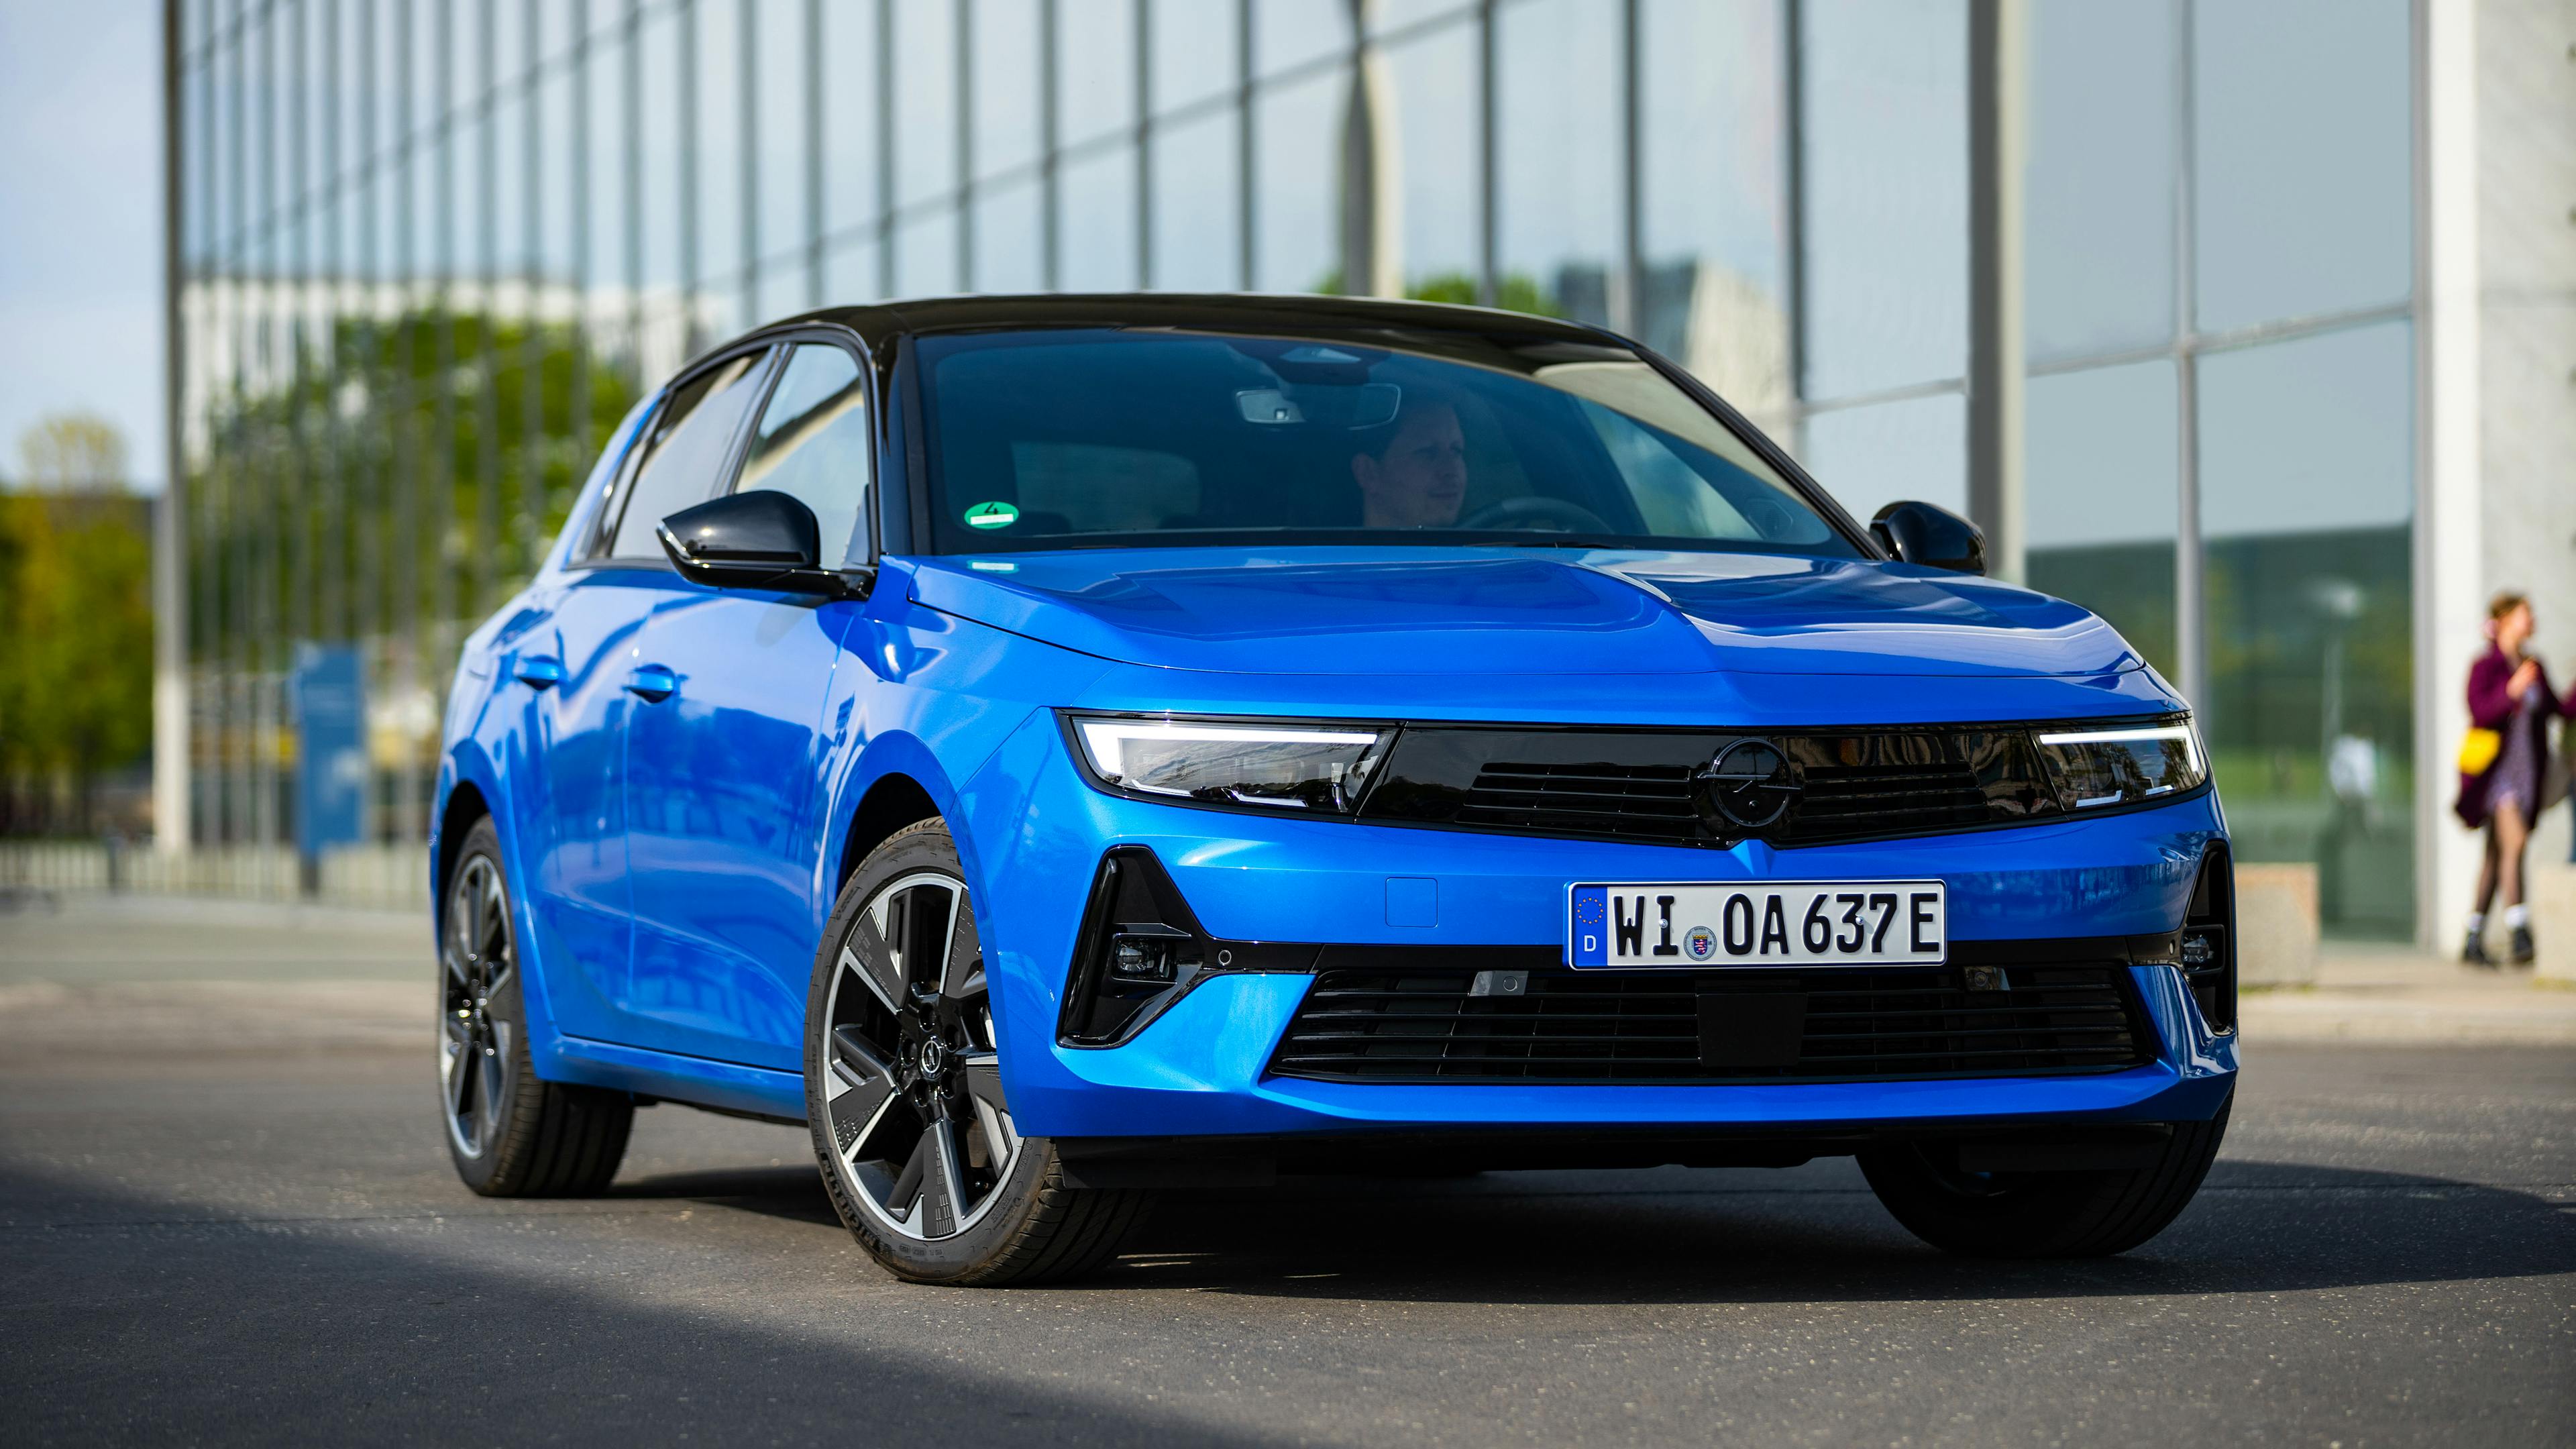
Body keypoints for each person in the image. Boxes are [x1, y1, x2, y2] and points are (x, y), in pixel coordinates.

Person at [2455, 590, 2561, 965]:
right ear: (2504, 620)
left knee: (2495, 855)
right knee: (2514, 844)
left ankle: (2472, 937)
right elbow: (2479, 711)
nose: (2530, 620)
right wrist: (2511, 691)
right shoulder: (2486, 667)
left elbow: (2557, 708)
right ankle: (2520, 933)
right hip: (2496, 777)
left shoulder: (2534, 665)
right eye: (2524, 614)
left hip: (2527, 772)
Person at [1352, 398, 1468, 529]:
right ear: (1368, 473)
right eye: (1428, 452)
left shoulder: (1490, 543)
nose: (1451, 470)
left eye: (1456, 450)